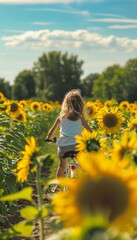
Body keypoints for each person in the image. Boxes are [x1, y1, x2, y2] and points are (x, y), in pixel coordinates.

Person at [46, 89, 92, 192]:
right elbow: (90, 132)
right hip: (77, 147)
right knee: (83, 165)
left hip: (63, 148)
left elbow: (50, 133)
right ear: (80, 105)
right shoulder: (81, 118)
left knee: (62, 166)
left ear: (65, 104)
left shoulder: (61, 118)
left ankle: (58, 187)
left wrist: (49, 138)